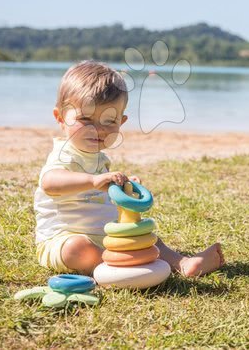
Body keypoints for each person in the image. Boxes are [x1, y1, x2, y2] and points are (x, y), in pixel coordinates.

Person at [34, 60, 225, 276]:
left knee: (148, 238)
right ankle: (119, 269)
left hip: (105, 235)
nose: (97, 129)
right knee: (76, 249)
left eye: (108, 121)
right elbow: (50, 183)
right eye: (85, 119)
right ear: (60, 118)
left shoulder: (99, 158)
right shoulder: (64, 154)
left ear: (121, 122)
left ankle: (183, 263)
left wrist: (124, 189)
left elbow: (102, 197)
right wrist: (93, 181)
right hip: (62, 240)